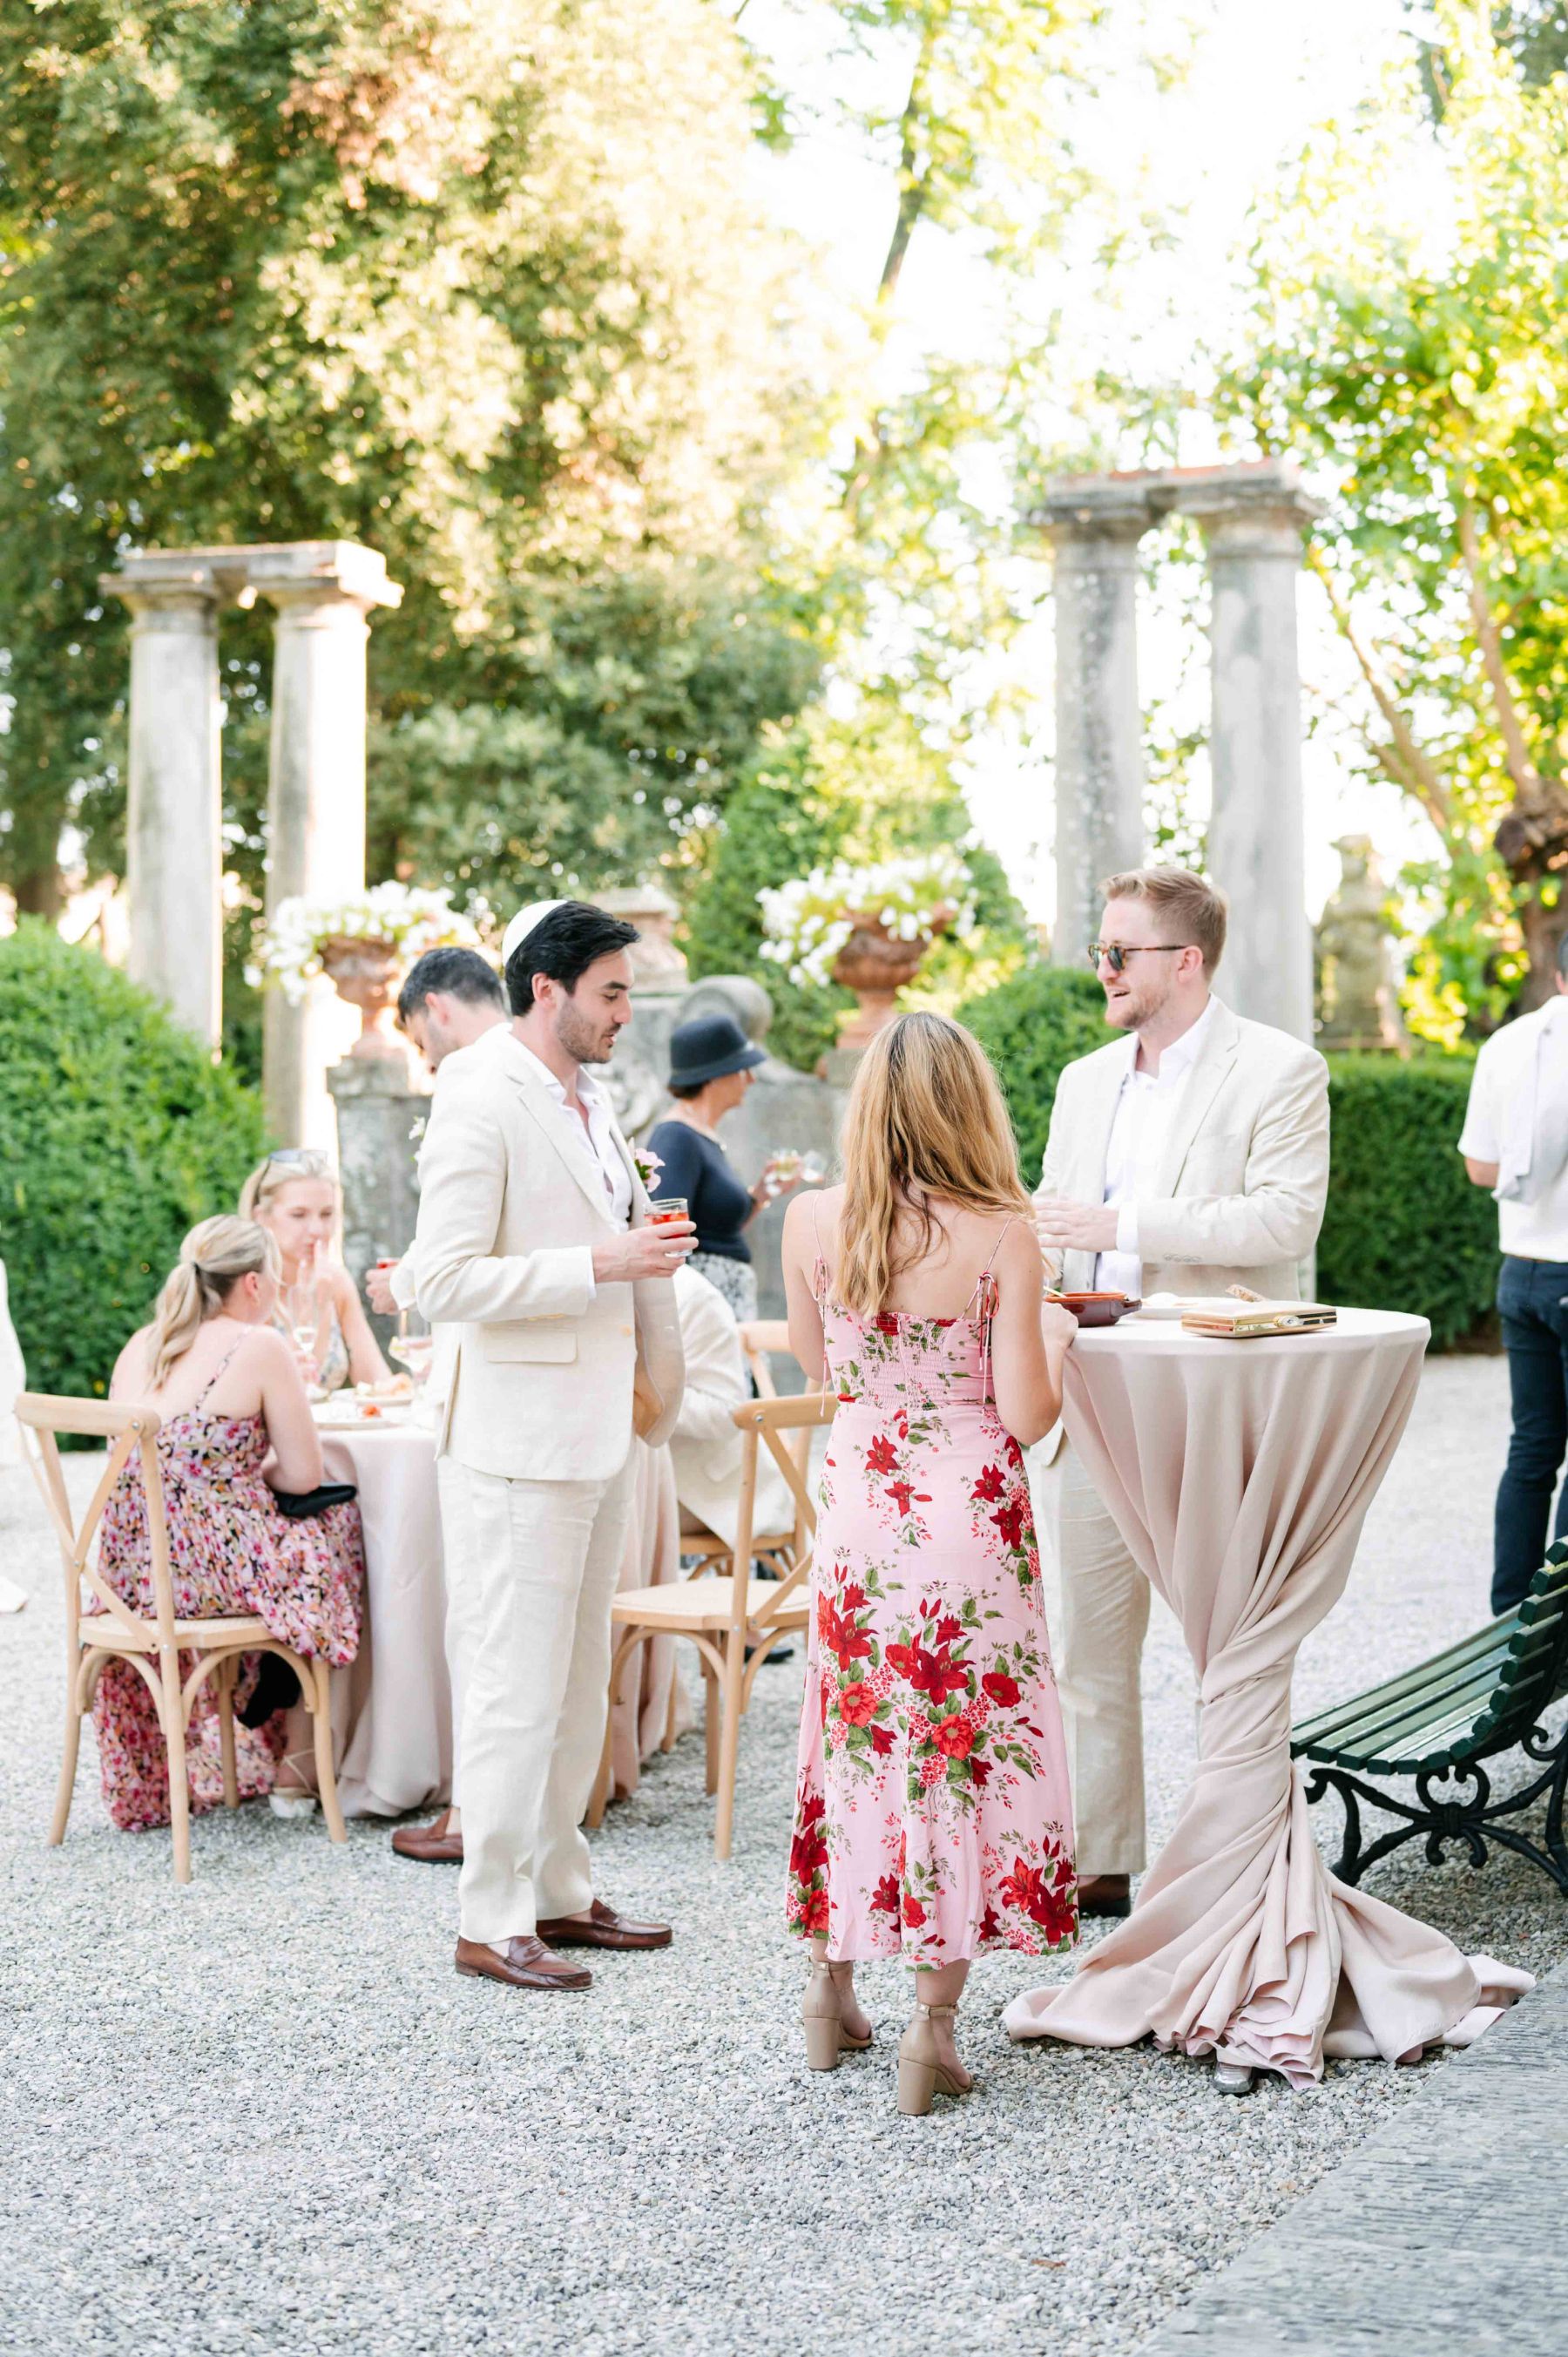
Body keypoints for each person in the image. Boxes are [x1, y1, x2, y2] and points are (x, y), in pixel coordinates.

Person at [781, 1012, 1079, 2116]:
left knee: (860, 1737)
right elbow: (1026, 1412)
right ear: (972, 1108)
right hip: (968, 1521)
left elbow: (825, 1368)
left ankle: (829, 1991)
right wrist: (1055, 1335)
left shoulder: (815, 1220)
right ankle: (931, 2029)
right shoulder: (1003, 1230)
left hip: (861, 1511)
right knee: (954, 1751)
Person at [1032, 864, 1330, 1919]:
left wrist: (1122, 1225)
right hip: (1093, 1395)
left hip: (1216, 1399)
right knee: (1089, 1644)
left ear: (1184, 961)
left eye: (1118, 951)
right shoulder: (1082, 1079)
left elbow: (1284, 1222)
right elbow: (1047, 1219)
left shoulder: (1282, 1069)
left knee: (1231, 1643)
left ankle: (1234, 1860)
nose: (1102, 968)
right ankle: (1100, 1862)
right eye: (1101, 950)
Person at [412, 897, 692, 1993]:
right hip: (515, 1437)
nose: (627, 1011)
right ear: (548, 989)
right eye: (613, 991)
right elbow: (440, 1281)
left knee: (579, 1686)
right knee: (513, 1687)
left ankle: (562, 1890)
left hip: (600, 1426)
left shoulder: (592, 1096)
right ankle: (489, 1915)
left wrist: (642, 1250)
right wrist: (600, 1265)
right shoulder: (478, 1088)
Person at [94, 1216, 364, 1828]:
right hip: (201, 1578)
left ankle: (262, 1695)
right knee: (330, 1535)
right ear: (251, 1282)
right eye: (272, 1274)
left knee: (295, 1546)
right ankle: (297, 1762)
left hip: (127, 1578)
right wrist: (241, 1472)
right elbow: (302, 1475)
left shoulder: (143, 1342)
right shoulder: (258, 1344)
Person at [364, 945, 508, 1865]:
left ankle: (473, 1821)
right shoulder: (550, 1079)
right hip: (531, 1397)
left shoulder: (471, 1080)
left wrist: (404, 1280)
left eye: (419, 1039)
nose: (425, 1059)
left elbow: (454, 1265)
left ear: (437, 1011)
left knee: (484, 1628)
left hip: (494, 1400)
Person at [1459, 940, 1568, 1612]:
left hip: (1521, 1273)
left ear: (1556, 974)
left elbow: (1481, 1168)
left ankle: (1509, 1627)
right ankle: (1560, 1636)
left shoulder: (1506, 1045)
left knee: (1532, 1449)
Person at [645, 1013, 801, 1322]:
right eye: (743, 1070)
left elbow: (719, 1229)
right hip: (704, 1309)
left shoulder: (702, 1136)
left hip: (726, 1302)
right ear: (716, 1075)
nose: (752, 1079)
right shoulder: (676, 1137)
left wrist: (760, 1193)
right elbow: (663, 1235)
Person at [667, 1262, 795, 1548]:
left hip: (717, 1495)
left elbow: (726, 1413)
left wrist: (639, 1391)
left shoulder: (692, 1296)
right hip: (657, 1479)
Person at [239, 1148, 390, 1391]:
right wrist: (314, 1304)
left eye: (327, 1214)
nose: (317, 1229)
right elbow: (286, 1385)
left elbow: (377, 1381)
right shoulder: (245, 1288)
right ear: (262, 1218)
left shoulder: (335, 1281)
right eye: (299, 1215)